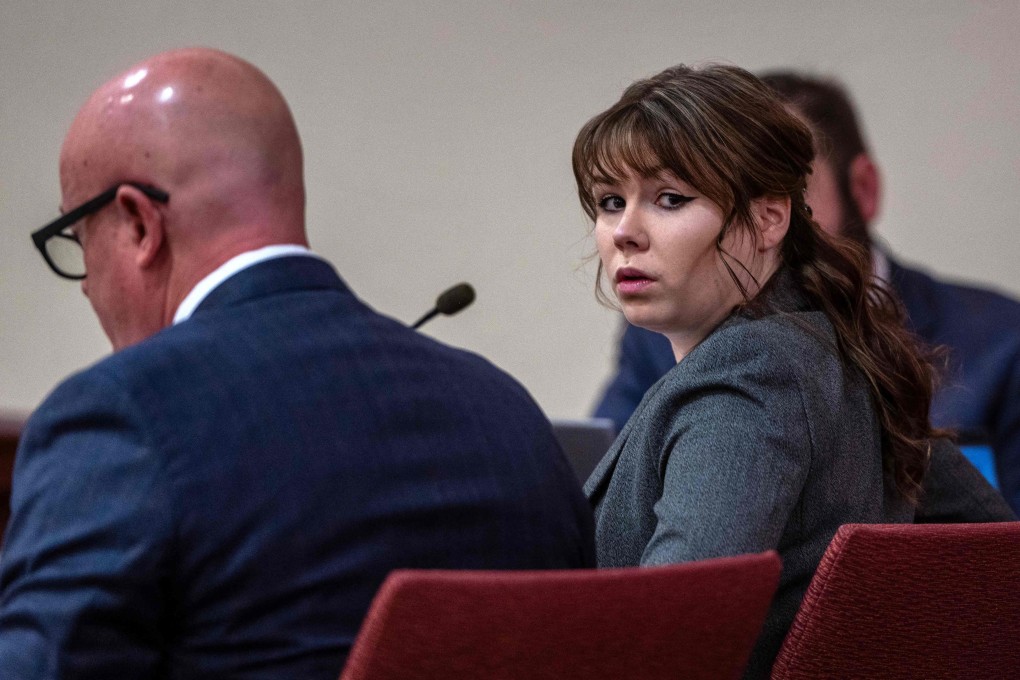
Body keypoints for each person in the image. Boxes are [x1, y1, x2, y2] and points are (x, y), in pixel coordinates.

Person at [0, 48, 596, 678]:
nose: (87, 286)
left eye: (79, 239)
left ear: (138, 223)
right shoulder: (507, 414)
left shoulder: (124, 416)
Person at [574, 63, 951, 678]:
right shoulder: (835, 349)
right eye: (610, 201)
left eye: (670, 199)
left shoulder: (749, 377)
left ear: (769, 218)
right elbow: (993, 545)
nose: (623, 233)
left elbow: (670, 638)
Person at [593, 70, 1020, 514]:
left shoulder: (1004, 341)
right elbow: (613, 493)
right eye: (611, 201)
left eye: (792, 192)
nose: (772, 221)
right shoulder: (657, 332)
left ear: (863, 189)